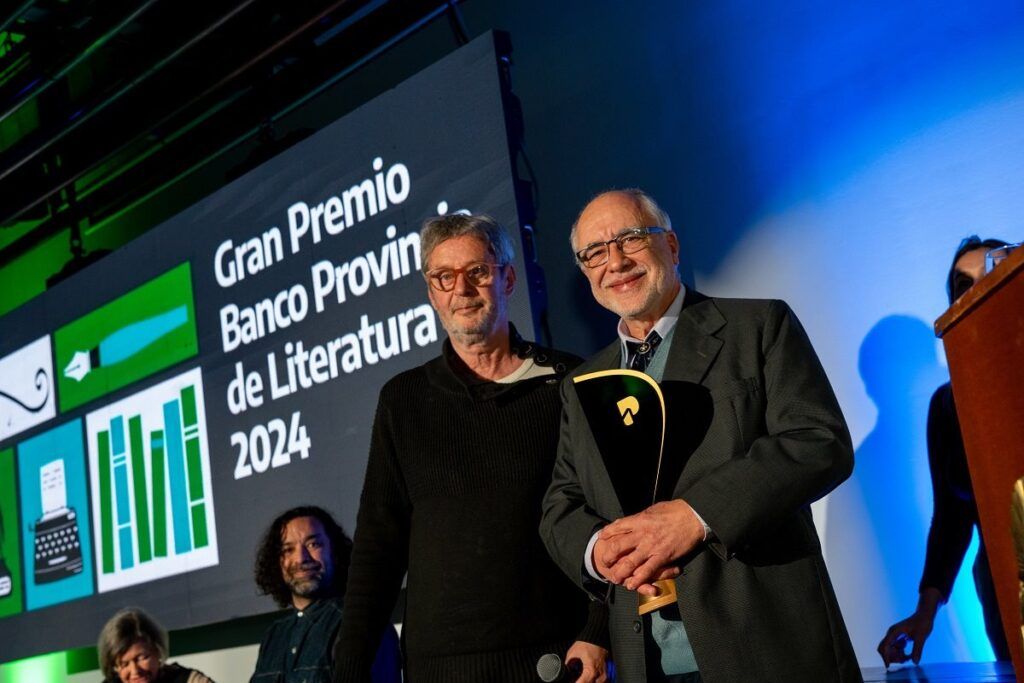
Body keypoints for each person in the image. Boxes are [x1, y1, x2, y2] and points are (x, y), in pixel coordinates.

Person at [540, 189, 861, 682]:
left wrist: (696, 515)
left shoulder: (757, 326)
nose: (616, 262)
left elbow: (818, 441)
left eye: (630, 238)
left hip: (768, 646)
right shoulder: (581, 385)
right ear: (585, 272)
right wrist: (598, 549)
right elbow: (562, 502)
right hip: (648, 662)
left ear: (671, 244)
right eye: (595, 253)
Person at [333, 214, 609, 682]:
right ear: (430, 291)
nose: (462, 289)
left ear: (507, 277)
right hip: (439, 669)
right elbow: (377, 546)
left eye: (477, 271)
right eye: (445, 276)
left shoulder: (569, 381)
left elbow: (612, 516)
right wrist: (350, 671)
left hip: (561, 660)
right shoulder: (403, 399)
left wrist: (601, 630)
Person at [877, 236, 1012, 667]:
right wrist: (925, 612)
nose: (979, 291)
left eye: (994, 272)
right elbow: (952, 518)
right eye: (963, 286)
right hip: (1003, 585)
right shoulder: (948, 404)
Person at [250, 506, 400, 683]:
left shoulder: (361, 621)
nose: (301, 558)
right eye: (288, 550)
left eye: (313, 544)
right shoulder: (274, 635)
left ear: (334, 550)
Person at [98, 607, 212, 683]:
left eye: (142, 658)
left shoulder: (190, 680)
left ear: (157, 651)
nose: (135, 671)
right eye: (124, 664)